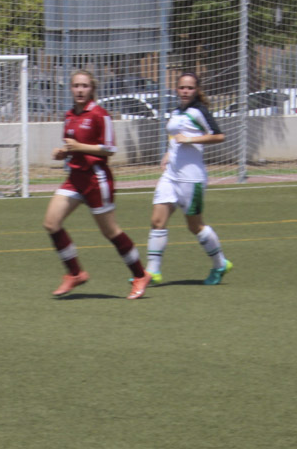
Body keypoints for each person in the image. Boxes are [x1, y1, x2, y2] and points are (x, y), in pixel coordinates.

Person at [44, 70, 151, 299]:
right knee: (51, 223)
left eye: (84, 86)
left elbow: (109, 149)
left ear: (92, 88)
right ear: (71, 88)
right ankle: (75, 273)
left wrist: (79, 148)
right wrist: (63, 153)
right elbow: (73, 148)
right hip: (75, 178)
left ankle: (140, 274)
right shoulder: (70, 115)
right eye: (76, 86)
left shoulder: (100, 115)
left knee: (110, 231)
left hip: (96, 178)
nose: (80, 90)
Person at [146, 71, 232, 285]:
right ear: (176, 89)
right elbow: (176, 137)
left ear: (197, 90)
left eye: (190, 88)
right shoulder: (176, 111)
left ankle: (220, 264)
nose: (185, 91)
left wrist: (192, 138)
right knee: (157, 221)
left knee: (195, 226)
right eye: (182, 87)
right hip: (171, 175)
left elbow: (219, 135)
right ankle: (151, 272)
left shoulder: (198, 111)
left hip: (191, 179)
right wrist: (169, 151)